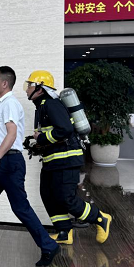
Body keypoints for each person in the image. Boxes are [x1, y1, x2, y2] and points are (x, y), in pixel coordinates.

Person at [0, 66, 59, 267]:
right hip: (1, 161)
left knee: (20, 208)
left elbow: (11, 134)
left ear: (4, 83)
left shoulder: (9, 103)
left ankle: (48, 245)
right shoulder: (1, 104)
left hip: (8, 162)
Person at [24, 70, 112, 245]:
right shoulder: (41, 107)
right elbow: (53, 133)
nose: (27, 89)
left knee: (66, 198)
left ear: (40, 88)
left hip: (66, 160)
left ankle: (100, 218)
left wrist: (41, 139)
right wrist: (37, 144)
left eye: (30, 85)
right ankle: (64, 232)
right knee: (48, 195)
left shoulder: (51, 104)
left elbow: (65, 129)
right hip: (52, 161)